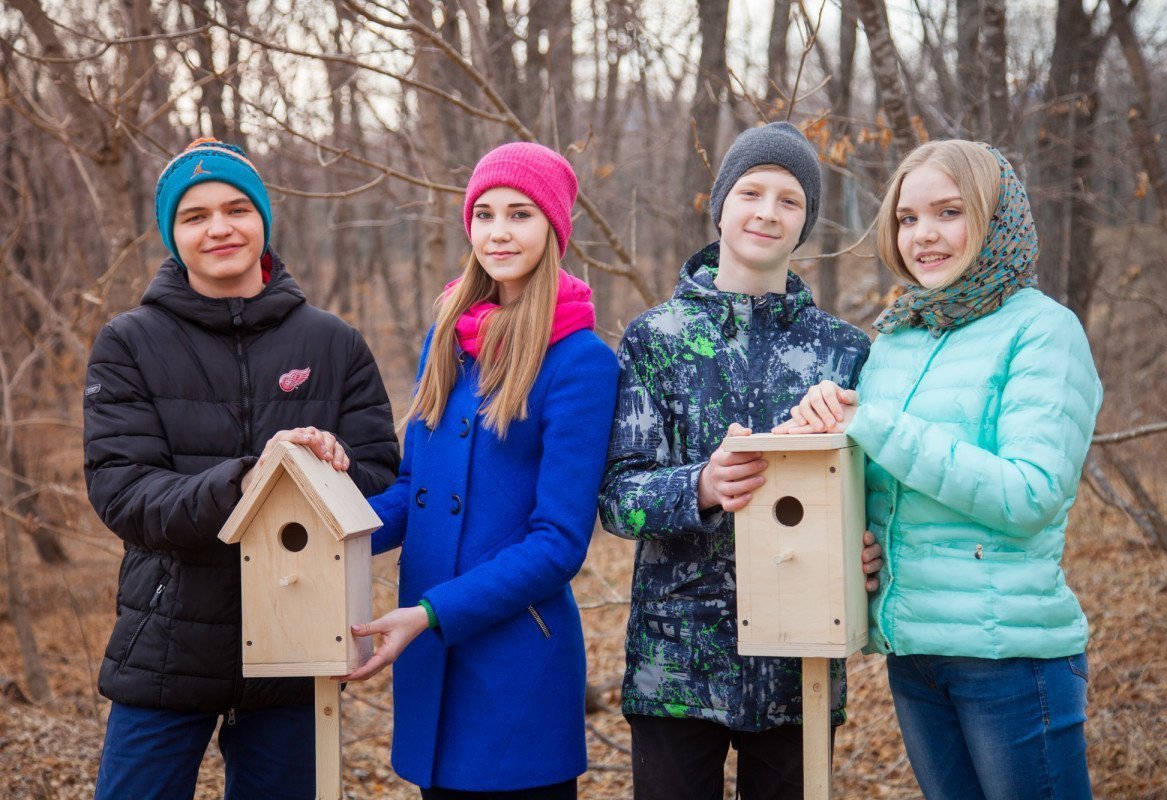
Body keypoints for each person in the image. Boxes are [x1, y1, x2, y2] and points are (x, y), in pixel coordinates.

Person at [777, 140, 1101, 799]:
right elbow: (886, 483)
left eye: (948, 212)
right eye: (907, 218)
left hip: (1010, 659)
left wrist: (873, 422)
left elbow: (1029, 494)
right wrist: (847, 523)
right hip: (914, 653)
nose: (923, 235)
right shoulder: (899, 336)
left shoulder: (1042, 330)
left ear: (994, 217)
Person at [83, 138, 400, 799]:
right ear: (173, 235)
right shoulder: (129, 343)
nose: (219, 227)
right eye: (194, 216)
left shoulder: (332, 342)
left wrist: (327, 471)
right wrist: (245, 482)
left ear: (263, 220)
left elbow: (378, 474)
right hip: (166, 646)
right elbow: (123, 492)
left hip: (298, 647)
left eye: (236, 208)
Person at [599, 121, 880, 799]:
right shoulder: (654, 338)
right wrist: (700, 484)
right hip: (676, 667)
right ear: (719, 203)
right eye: (751, 191)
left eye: (789, 200)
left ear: (806, 221)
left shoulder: (843, 351)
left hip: (800, 660)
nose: (767, 212)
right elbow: (616, 496)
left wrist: (871, 550)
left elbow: (871, 492)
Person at [341, 142, 618, 799]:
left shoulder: (581, 360)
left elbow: (558, 542)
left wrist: (431, 613)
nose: (498, 232)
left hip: (516, 665)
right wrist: (335, 529)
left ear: (553, 229)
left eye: (520, 214)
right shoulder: (446, 337)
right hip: (432, 659)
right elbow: (415, 491)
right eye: (485, 213)